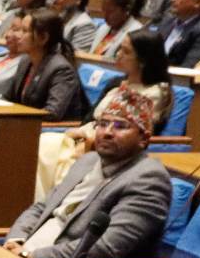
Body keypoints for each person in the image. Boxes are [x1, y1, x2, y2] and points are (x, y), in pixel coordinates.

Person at [5, 92, 172, 258]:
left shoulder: (148, 178)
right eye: (103, 124)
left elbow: (106, 247)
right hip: (24, 251)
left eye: (120, 126)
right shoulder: (88, 160)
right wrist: (15, 240)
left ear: (143, 138)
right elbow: (42, 207)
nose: (107, 132)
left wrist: (32, 256)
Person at [36, 34, 171, 197]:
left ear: (142, 60)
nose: (118, 54)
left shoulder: (156, 93)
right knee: (40, 145)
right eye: (120, 48)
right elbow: (90, 119)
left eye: (126, 52)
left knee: (46, 150)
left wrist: (87, 141)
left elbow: (133, 133)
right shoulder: (115, 83)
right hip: (82, 138)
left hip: (105, 148)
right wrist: (77, 134)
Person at [7, 10, 85, 120]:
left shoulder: (62, 70)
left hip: (52, 131)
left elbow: (52, 113)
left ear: (43, 38)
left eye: (25, 31)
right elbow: (10, 99)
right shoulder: (25, 61)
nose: (18, 36)